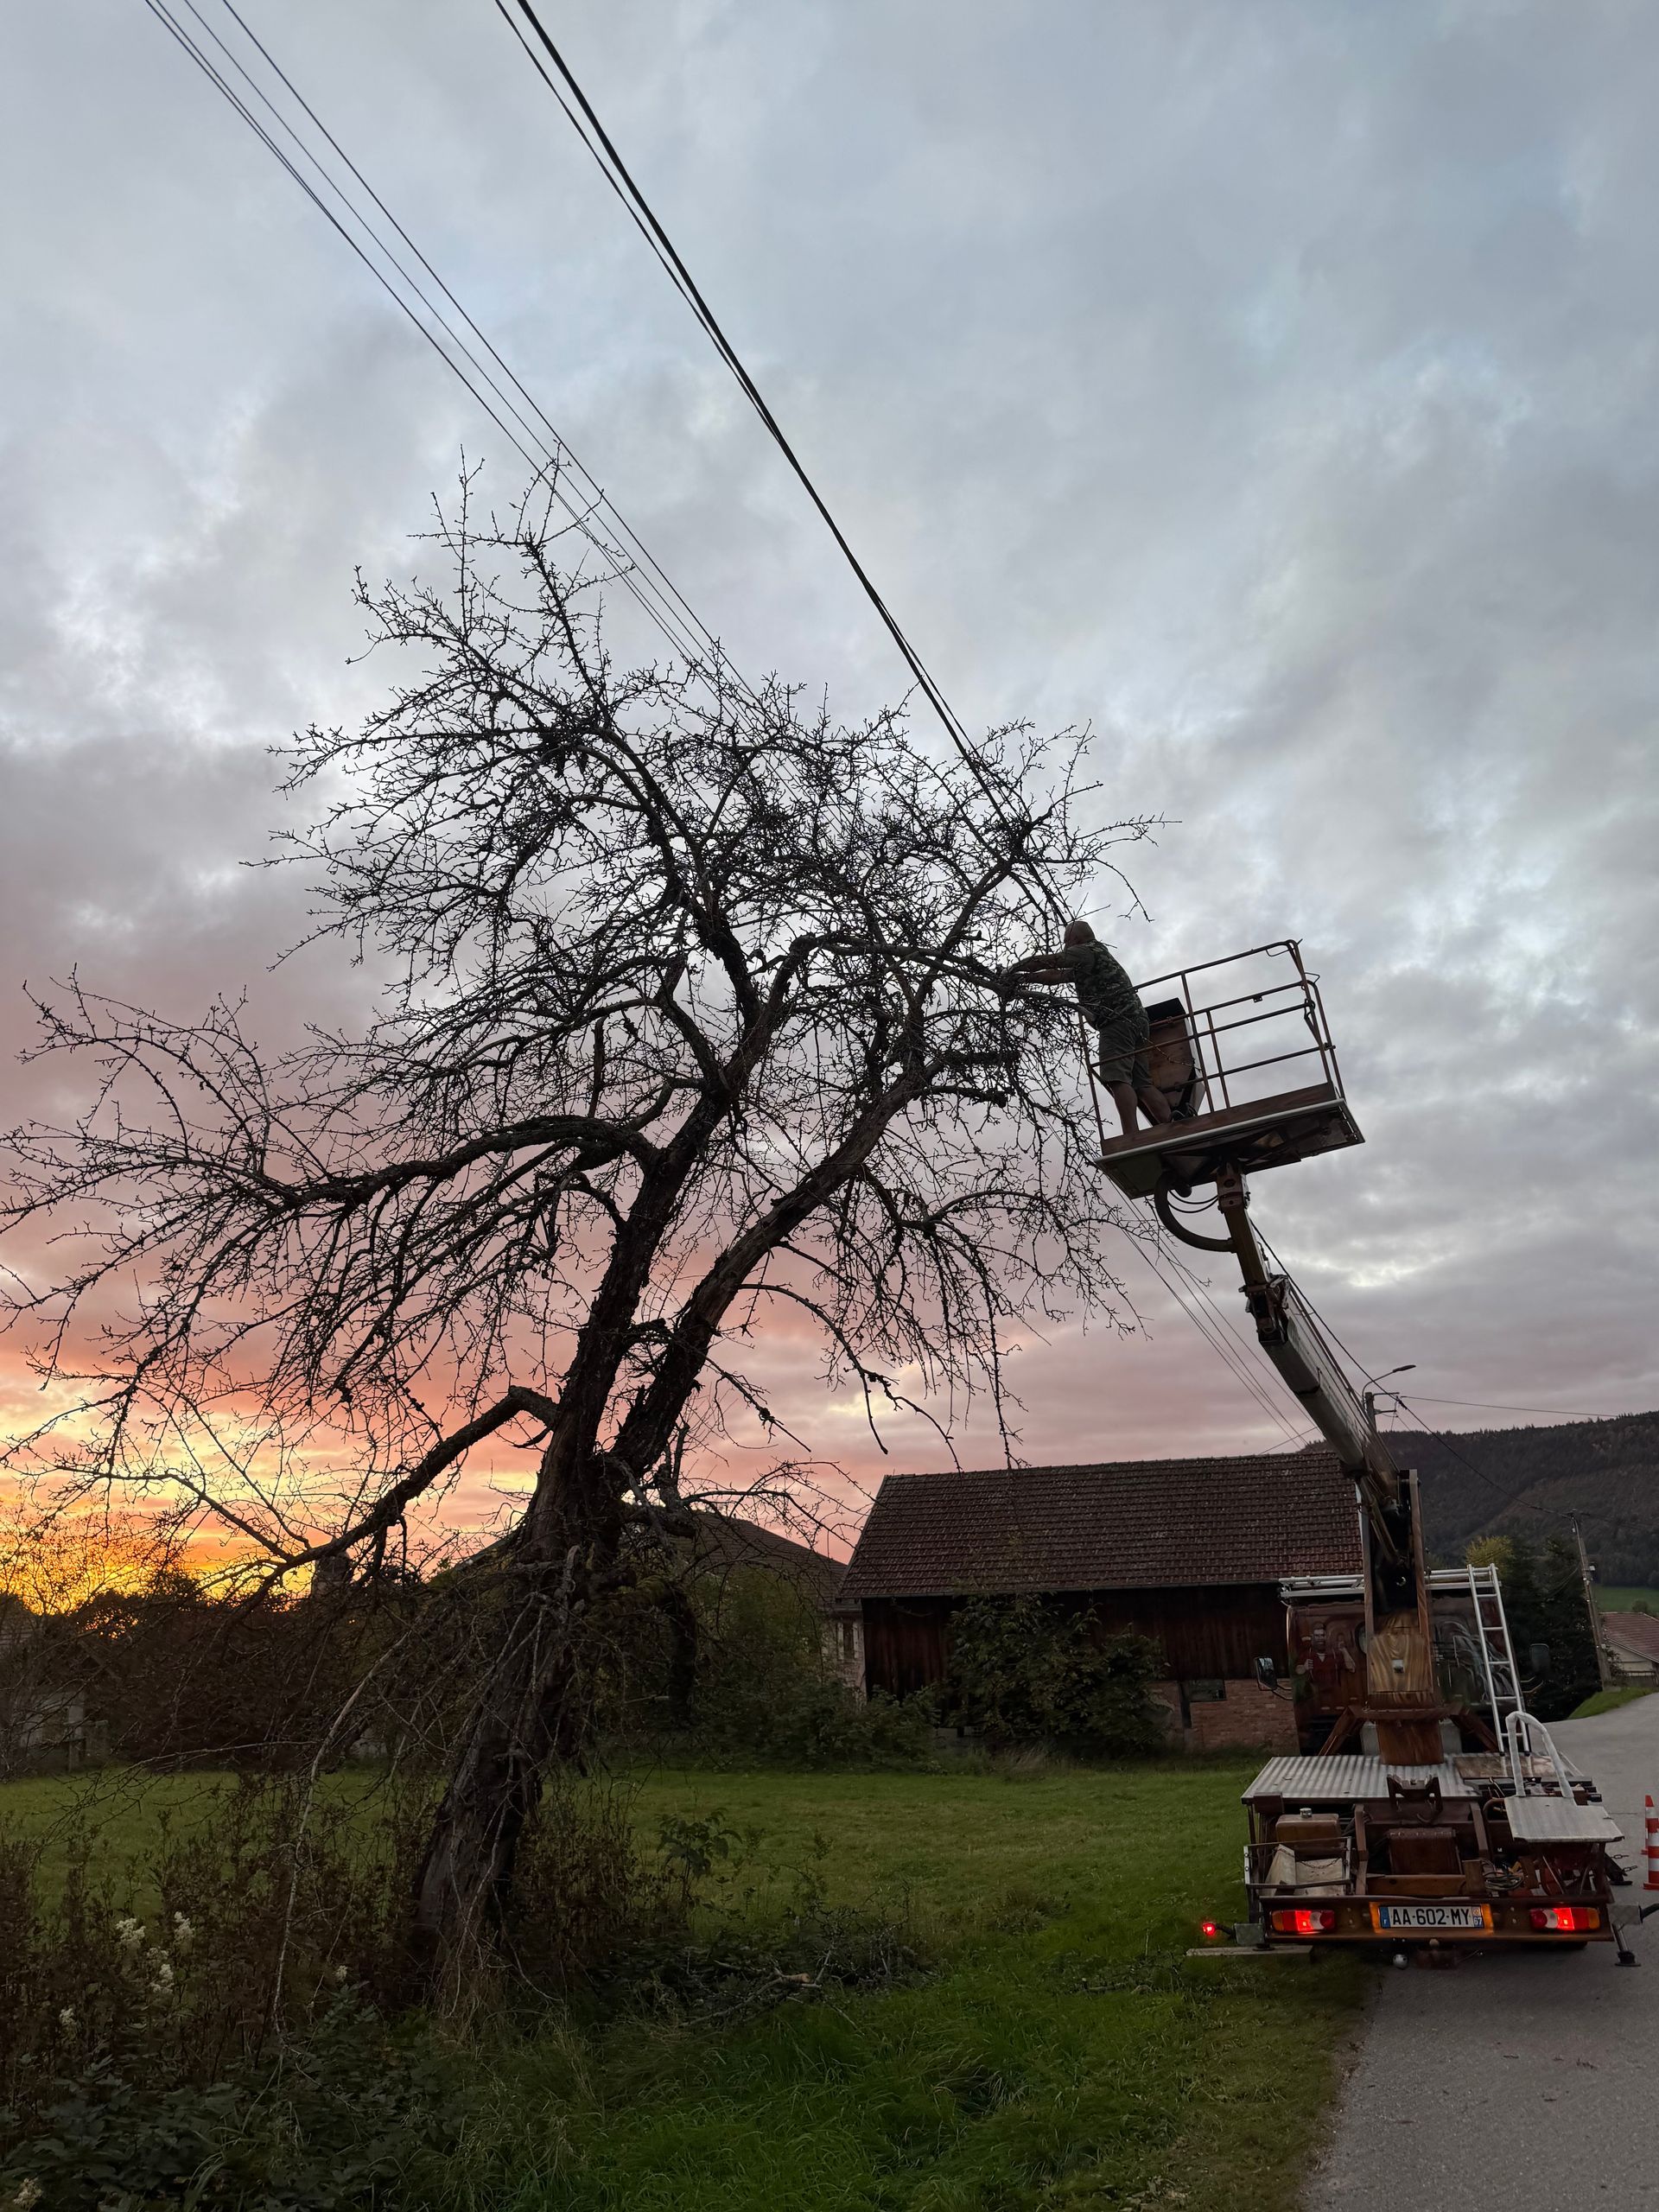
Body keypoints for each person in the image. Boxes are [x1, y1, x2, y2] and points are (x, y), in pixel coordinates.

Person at [1001, 919, 1173, 1137]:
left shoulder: (1085, 951)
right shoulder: (1094, 957)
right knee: (1142, 1083)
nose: (1065, 946)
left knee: (1117, 1077)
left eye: (1066, 941)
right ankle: (1174, 1124)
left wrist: (1012, 969)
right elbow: (1055, 976)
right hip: (1137, 1021)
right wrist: (1022, 979)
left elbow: (1051, 962)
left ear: (1075, 938)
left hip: (1117, 1020)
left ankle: (1131, 1136)